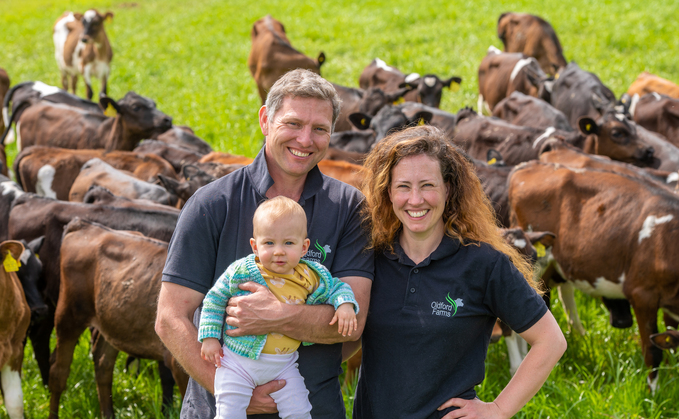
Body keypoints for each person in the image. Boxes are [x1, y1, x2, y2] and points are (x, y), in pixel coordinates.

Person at [155, 69, 373, 419]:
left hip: (313, 408)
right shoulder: (212, 203)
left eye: (319, 129)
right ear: (265, 120)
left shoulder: (349, 208)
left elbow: (352, 324)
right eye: (293, 124)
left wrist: (277, 316)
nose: (305, 139)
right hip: (219, 407)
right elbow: (170, 318)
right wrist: (230, 388)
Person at [354, 125, 566, 419]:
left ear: (448, 188)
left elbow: (551, 341)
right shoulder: (369, 257)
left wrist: (499, 410)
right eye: (403, 186)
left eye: (427, 185)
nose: (415, 200)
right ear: (388, 192)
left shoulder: (483, 264)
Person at [199, 196, 359, 419]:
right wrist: (210, 338)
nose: (279, 251)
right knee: (229, 412)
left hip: (284, 365)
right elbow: (214, 299)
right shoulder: (241, 271)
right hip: (238, 363)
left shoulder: (310, 275)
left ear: (304, 247)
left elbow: (337, 288)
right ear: (255, 246)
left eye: (289, 243)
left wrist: (345, 305)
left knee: (300, 410)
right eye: (269, 243)